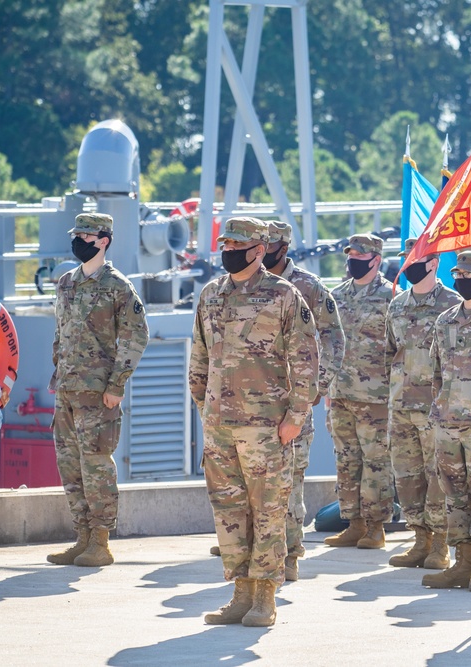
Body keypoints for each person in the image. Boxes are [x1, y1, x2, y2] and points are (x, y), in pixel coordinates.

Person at [191, 216, 319, 627]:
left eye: (237, 243)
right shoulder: (211, 294)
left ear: (259, 250)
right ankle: (240, 593)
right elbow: (199, 359)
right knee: (229, 511)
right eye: (225, 242)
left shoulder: (284, 295)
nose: (228, 249)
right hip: (219, 426)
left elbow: (306, 359)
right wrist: (204, 410)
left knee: (267, 510)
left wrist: (296, 417)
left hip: (266, 426)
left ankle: (265, 596)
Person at [47, 212, 149, 568]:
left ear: (103, 240)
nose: (79, 242)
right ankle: (82, 537)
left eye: (86, 237)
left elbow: (136, 336)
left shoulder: (118, 287)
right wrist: (57, 375)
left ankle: (101, 542)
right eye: (77, 235)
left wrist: (117, 385)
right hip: (67, 391)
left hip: (98, 394)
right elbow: (61, 332)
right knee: (69, 465)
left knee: (96, 466)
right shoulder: (66, 283)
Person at [265, 221, 347, 579]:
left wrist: (319, 386)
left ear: (282, 248)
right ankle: (258, 550)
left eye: (268, 245)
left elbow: (334, 339)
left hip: (294, 403)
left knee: (291, 481)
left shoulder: (309, 288)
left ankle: (290, 554)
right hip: (253, 403)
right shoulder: (244, 286)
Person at [423, 250, 471, 591]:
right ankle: (462, 562)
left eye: (469, 274)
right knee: (453, 496)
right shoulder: (445, 320)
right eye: (459, 274)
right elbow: (437, 372)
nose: (462, 280)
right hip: (448, 421)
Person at [386, 237, 460, 569]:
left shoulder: (454, 303)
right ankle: (419, 539)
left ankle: (440, 544)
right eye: (406, 258)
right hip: (401, 404)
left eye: (414, 259)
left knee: (437, 477)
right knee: (407, 476)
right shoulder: (397, 304)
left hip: (435, 407)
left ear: (432, 263)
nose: (408, 264)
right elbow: (390, 353)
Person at [325, 234, 397, 548]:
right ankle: (353, 522)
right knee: (346, 460)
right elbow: (326, 341)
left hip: (376, 395)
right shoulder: (336, 295)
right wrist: (325, 383)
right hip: (340, 391)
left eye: (359, 254)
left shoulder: (392, 297)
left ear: (376, 259)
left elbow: (400, 348)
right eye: (350, 253)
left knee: (376, 461)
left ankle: (376, 527)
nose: (352, 259)